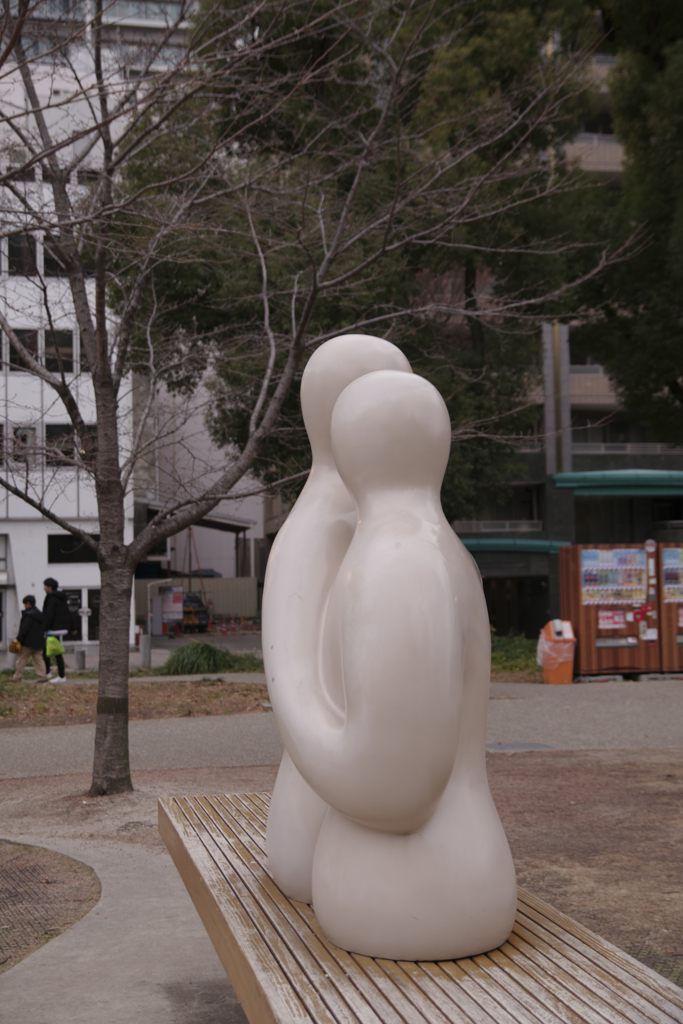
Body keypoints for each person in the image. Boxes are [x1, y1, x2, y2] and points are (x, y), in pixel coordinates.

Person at [13, 595, 48, 683]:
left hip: (27, 642)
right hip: (39, 642)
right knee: (39, 660)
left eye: (24, 604)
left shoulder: (28, 615)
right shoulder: (40, 614)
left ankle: (17, 677)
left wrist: (18, 639)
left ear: (28, 603)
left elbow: (25, 629)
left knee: (22, 659)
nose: (24, 606)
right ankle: (42, 677)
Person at [43, 577, 70, 682]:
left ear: (50, 587)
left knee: (49, 652)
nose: (44, 588)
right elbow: (67, 612)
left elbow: (49, 615)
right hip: (59, 629)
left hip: (52, 629)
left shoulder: (51, 598)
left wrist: (44, 628)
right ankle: (56, 674)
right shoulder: (61, 597)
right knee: (54, 652)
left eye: (45, 586)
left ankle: (58, 675)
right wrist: (72, 626)